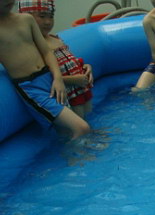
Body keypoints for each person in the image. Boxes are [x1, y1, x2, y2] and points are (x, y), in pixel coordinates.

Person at [0, 0, 90, 139]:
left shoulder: (26, 20)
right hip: (31, 87)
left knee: (66, 131)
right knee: (82, 128)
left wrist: (58, 79)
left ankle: (74, 153)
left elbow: (47, 52)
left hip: (50, 78)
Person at [19, 0, 94, 119]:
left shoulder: (55, 38)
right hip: (67, 94)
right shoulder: (34, 47)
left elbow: (69, 62)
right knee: (81, 120)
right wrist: (73, 80)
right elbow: (43, 80)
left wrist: (85, 67)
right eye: (42, 16)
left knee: (90, 116)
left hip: (81, 88)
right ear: (26, 18)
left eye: (51, 16)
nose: (48, 22)